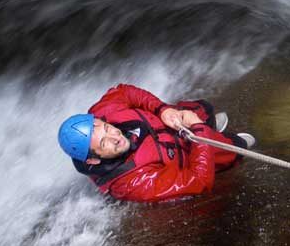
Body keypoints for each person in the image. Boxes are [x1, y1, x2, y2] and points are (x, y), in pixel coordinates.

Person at [57, 83, 255, 203]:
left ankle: (207, 126)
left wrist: (163, 110)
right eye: (104, 143)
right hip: (183, 156)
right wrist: (198, 128)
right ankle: (215, 137)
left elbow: (125, 92)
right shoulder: (132, 183)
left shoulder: (101, 113)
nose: (115, 136)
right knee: (237, 146)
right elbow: (200, 181)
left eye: (107, 128)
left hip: (169, 129)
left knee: (204, 107)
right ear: (92, 160)